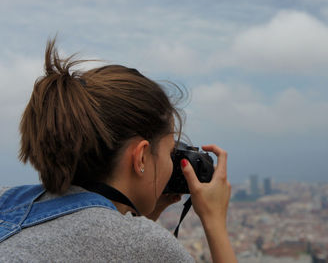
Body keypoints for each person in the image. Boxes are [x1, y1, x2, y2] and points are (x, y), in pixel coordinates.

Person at [0, 38, 237, 263]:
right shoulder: (148, 247)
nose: (171, 163)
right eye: (168, 153)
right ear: (141, 157)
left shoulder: (8, 199)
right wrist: (214, 221)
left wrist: (139, 202)